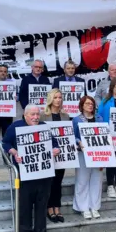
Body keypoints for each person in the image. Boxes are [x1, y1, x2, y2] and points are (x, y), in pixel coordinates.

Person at [2, 104, 60, 232]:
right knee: (25, 207)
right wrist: (13, 151)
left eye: (37, 114)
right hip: (24, 174)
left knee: (41, 207)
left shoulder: (44, 126)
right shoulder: (15, 127)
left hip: (43, 174)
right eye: (32, 115)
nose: (35, 117)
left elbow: (55, 144)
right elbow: (5, 143)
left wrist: (56, 150)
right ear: (25, 115)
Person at [40, 89, 70, 223]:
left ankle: (57, 207)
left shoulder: (65, 115)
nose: (58, 100)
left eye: (60, 97)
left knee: (58, 182)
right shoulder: (43, 116)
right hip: (48, 155)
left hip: (62, 155)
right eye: (56, 97)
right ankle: (49, 208)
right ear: (51, 99)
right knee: (49, 182)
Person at [72, 96, 104, 219]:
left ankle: (94, 207)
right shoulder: (76, 120)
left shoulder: (99, 118)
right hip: (82, 154)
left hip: (98, 154)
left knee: (97, 180)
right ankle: (82, 207)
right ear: (82, 105)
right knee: (82, 180)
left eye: (92, 103)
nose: (90, 105)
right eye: (87, 103)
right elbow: (73, 136)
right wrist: (78, 141)